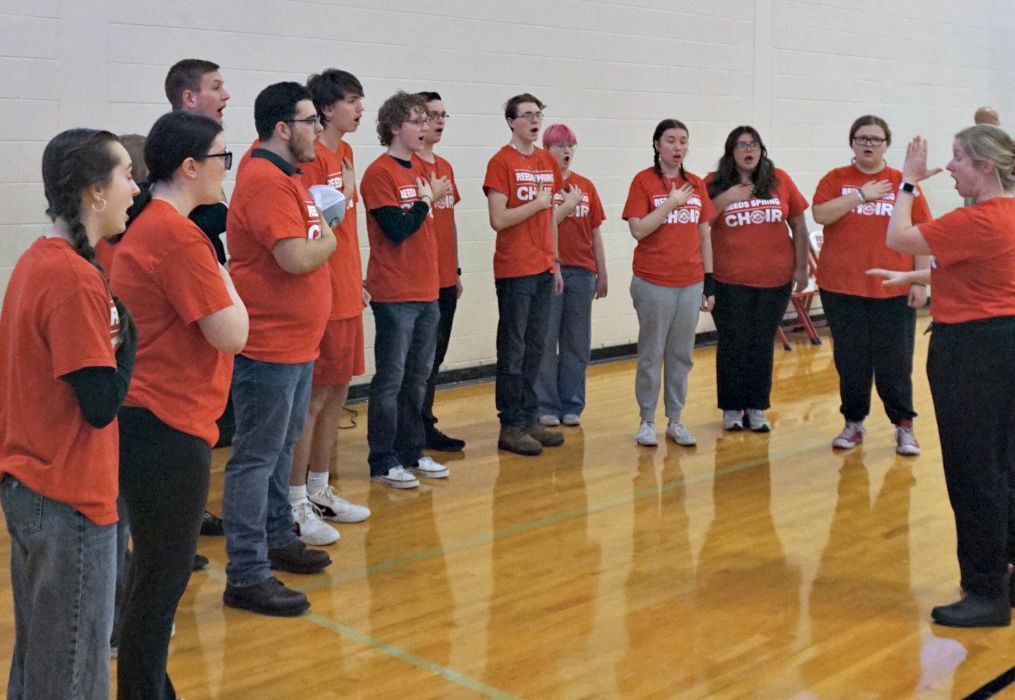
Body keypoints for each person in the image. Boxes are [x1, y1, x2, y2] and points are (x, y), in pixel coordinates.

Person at [110, 111, 248, 698]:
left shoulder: (157, 229)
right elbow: (232, 333)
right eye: (223, 157)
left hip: (156, 417)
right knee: (161, 580)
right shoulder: (176, 236)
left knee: (154, 575)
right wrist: (227, 275)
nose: (227, 169)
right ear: (191, 167)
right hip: (165, 422)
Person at [0, 128, 138, 699]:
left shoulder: (38, 261)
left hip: (33, 486)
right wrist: (130, 340)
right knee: (72, 675)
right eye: (127, 175)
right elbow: (101, 405)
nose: (136, 188)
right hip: (69, 498)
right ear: (94, 193)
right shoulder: (74, 278)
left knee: (41, 662)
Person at [883, 126, 1014, 628]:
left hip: (973, 350)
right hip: (1006, 341)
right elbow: (980, 270)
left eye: (958, 158)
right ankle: (1006, 575)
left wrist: (910, 182)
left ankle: (985, 593)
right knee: (1006, 463)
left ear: (985, 166)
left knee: (973, 470)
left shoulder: (976, 218)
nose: (950, 165)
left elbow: (897, 238)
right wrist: (916, 277)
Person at [222, 82, 335, 616]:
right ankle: (246, 573)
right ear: (283, 128)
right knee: (255, 458)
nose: (320, 129)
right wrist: (331, 239)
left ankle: (274, 537)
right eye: (312, 121)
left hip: (296, 344)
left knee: (277, 449)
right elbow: (294, 257)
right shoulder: (266, 180)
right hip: (268, 347)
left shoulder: (287, 177)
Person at [811, 115, 931, 454]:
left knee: (895, 361)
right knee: (851, 360)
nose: (868, 143)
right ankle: (853, 423)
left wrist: (920, 282)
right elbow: (821, 214)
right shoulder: (835, 179)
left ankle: (904, 426)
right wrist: (861, 195)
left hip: (893, 287)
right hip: (841, 287)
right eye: (862, 138)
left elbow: (922, 233)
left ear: (886, 145)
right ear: (852, 142)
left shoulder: (902, 183)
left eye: (876, 139)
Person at [288, 68, 371, 545]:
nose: (360, 108)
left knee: (339, 392)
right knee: (313, 401)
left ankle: (320, 487)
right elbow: (315, 228)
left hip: (347, 290)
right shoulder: (314, 157)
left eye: (361, 99)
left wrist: (356, 279)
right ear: (326, 109)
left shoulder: (347, 152)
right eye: (352, 100)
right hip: (322, 294)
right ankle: (295, 497)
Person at [361, 91, 449, 488]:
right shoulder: (379, 173)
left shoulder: (418, 170)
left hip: (426, 290)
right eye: (416, 120)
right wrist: (427, 202)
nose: (425, 127)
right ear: (395, 127)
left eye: (426, 120)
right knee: (391, 379)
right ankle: (383, 459)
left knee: (418, 377)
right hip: (395, 293)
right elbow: (396, 231)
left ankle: (412, 451)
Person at [165, 58, 234, 535]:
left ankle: (187, 515)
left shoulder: (207, 158)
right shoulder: (168, 216)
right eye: (216, 87)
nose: (226, 95)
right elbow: (207, 223)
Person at [706, 126, 810, 432]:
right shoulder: (713, 184)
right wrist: (728, 197)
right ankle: (732, 409)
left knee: (762, 343)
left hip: (775, 279)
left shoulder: (780, 181)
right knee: (733, 343)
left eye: (753, 145)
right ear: (731, 152)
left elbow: (800, 225)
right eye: (741, 145)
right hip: (729, 279)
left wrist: (802, 268)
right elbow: (700, 223)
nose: (748, 150)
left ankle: (757, 407)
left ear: (761, 150)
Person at [622, 118, 716, 447]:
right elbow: (638, 229)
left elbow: (704, 233)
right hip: (653, 281)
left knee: (681, 354)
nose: (678, 147)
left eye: (683, 141)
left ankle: (675, 419)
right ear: (657, 145)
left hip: (690, 282)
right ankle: (646, 420)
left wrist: (709, 280)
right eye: (671, 141)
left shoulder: (696, 184)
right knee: (652, 353)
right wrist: (669, 203)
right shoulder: (643, 182)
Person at [483, 93, 566, 456]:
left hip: (543, 267)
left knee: (536, 348)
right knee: (513, 349)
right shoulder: (500, 162)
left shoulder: (548, 161)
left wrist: (556, 261)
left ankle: (530, 417)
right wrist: (535, 203)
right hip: (515, 269)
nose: (535, 121)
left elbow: (550, 219)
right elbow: (498, 219)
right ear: (511, 122)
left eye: (539, 115)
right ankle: (511, 424)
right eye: (528, 115)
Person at [534, 123, 607, 428]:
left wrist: (602, 271)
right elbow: (541, 222)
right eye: (559, 145)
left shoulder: (585, 186)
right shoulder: (542, 186)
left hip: (582, 272)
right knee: (547, 341)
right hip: (550, 270)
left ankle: (572, 404)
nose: (566, 151)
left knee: (577, 342)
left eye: (570, 145)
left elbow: (595, 232)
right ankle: (545, 405)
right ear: (546, 149)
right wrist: (566, 206)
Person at [416, 91, 468, 452]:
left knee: (435, 358)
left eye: (443, 115)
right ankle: (411, 428)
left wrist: (457, 268)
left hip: (447, 278)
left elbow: (449, 224)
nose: (439, 121)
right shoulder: (408, 168)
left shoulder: (445, 167)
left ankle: (426, 422)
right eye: (432, 115)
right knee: (416, 361)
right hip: (419, 281)